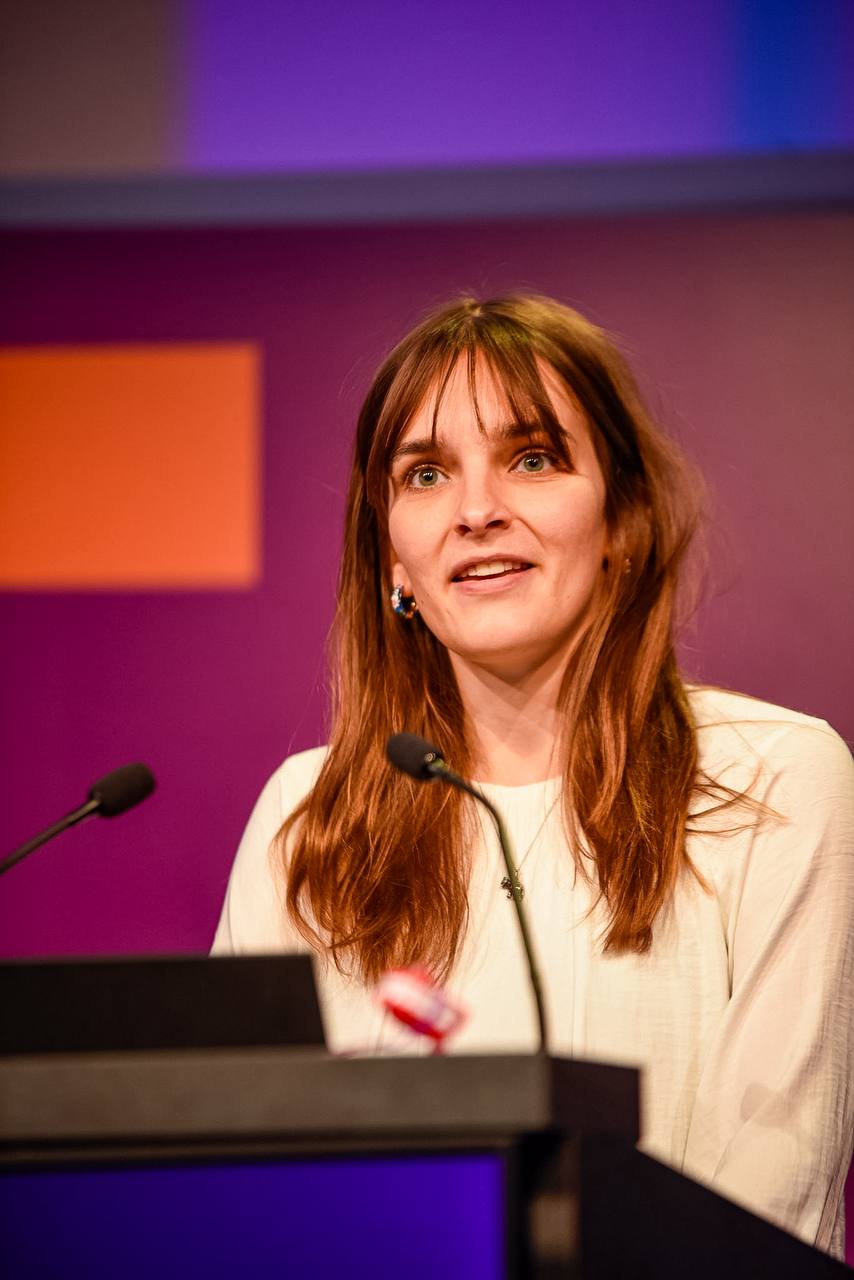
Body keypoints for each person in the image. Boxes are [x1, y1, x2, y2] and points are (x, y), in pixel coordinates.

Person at [212, 294, 854, 1258]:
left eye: (533, 458)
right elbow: (234, 1182)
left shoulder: (775, 780)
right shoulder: (306, 815)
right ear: (392, 557)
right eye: (427, 474)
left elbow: (771, 1203)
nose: (477, 511)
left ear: (623, 520)